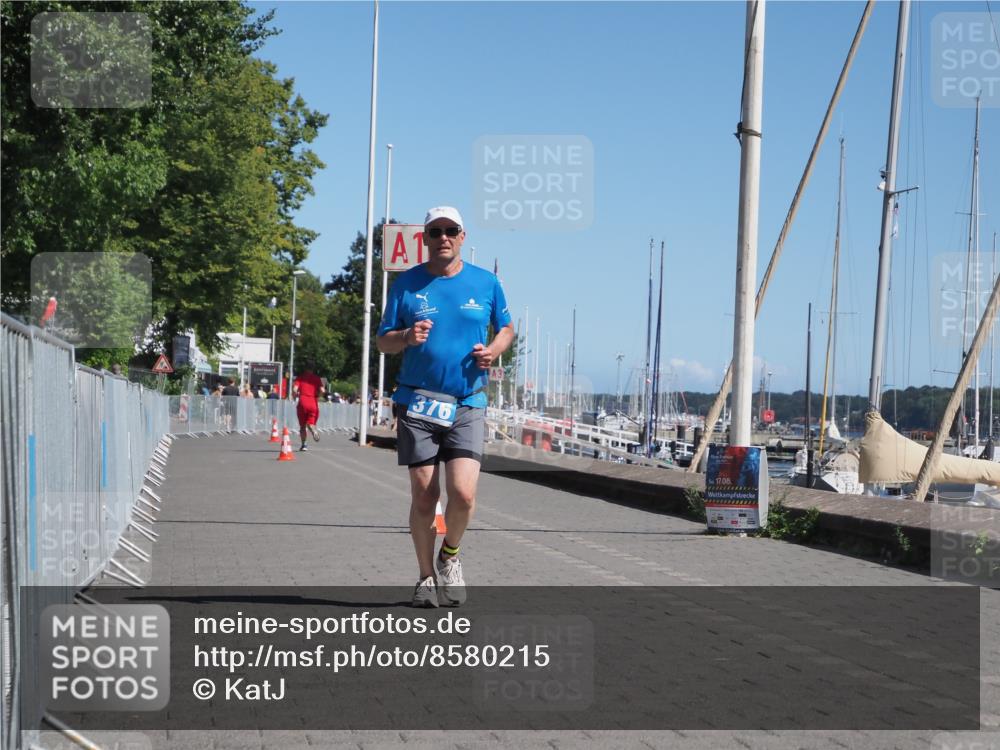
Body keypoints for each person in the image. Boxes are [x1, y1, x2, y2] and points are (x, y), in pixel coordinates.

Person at [376, 206, 513, 608]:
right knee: (423, 496)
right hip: (417, 402)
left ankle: (450, 556)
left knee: (464, 494)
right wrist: (405, 335)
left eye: (450, 230)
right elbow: (383, 341)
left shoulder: (486, 283)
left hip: (468, 400)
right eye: (435, 232)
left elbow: (505, 327)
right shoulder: (407, 285)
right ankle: (424, 578)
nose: (443, 238)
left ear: (462, 236)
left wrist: (493, 351)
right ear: (425, 238)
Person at [293, 362, 325, 450]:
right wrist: (318, 395)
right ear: (313, 369)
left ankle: (304, 445)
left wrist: (294, 396)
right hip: (313, 402)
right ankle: (313, 430)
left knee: (302, 426)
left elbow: (295, 390)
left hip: (303, 402)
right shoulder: (317, 378)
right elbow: (323, 390)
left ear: (305, 368)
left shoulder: (300, 378)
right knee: (311, 423)